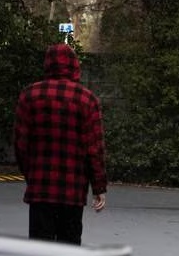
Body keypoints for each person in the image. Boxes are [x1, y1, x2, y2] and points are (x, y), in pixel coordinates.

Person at [13, 43, 108, 245]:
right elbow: (95, 149)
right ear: (75, 66)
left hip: (41, 189)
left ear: (47, 65)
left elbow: (21, 144)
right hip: (72, 191)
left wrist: (31, 175)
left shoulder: (29, 96)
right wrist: (98, 187)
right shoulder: (87, 99)